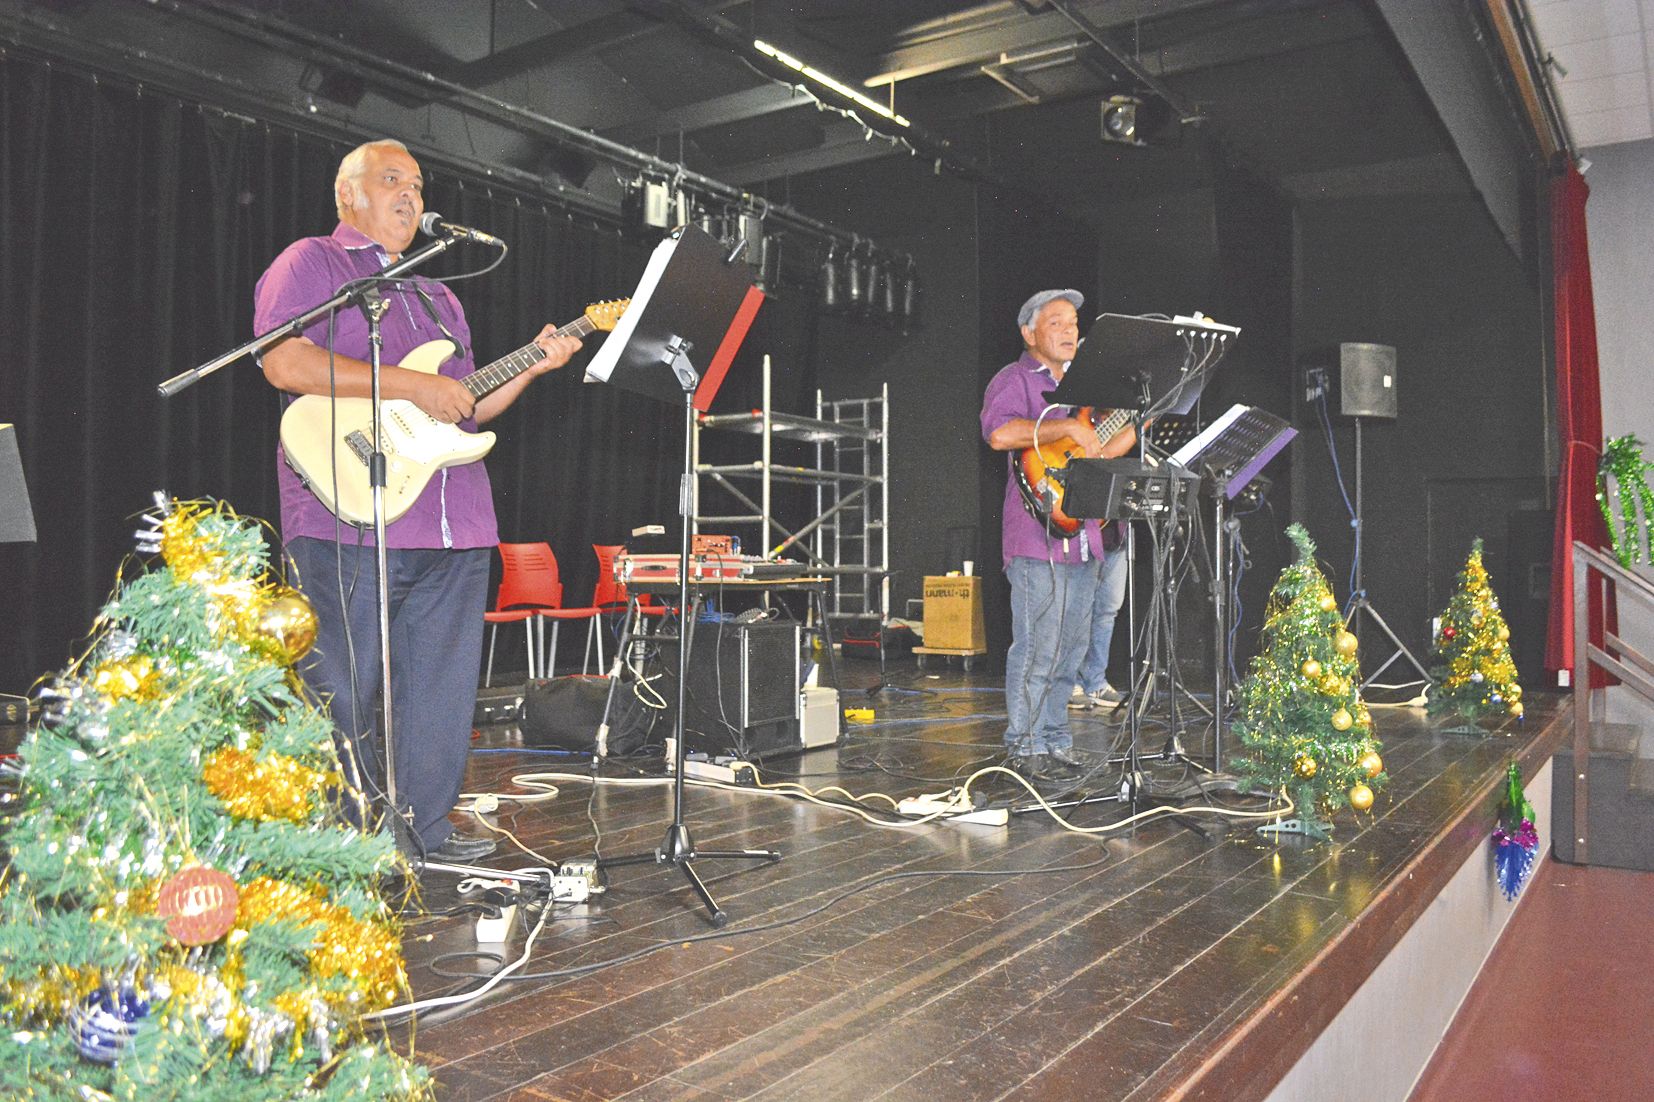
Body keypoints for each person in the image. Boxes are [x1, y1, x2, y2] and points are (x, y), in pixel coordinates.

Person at [256, 139, 582, 863]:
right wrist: (412, 387)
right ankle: (340, 847)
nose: (411, 194)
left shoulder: (440, 295)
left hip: (454, 522)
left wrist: (534, 363)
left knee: (438, 697)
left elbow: (464, 405)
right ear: (349, 195)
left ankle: (422, 835)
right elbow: (283, 360)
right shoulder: (312, 262)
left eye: (418, 183)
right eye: (392, 180)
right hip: (349, 515)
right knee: (339, 693)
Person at [982, 289, 1136, 783]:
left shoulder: (1089, 386)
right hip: (1035, 536)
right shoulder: (1014, 379)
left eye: (1073, 322)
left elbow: (1103, 451)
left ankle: (1055, 739)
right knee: (1038, 645)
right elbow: (999, 434)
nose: (1070, 330)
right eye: (1057, 323)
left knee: (1071, 647)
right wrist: (1065, 425)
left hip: (1086, 533)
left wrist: (1142, 420)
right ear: (1029, 334)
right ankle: (1024, 744)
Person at [1069, 521, 1129, 710]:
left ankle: (1095, 682)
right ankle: (1068, 682)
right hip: (1084, 535)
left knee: (1107, 611)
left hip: (1117, 539)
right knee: (1079, 611)